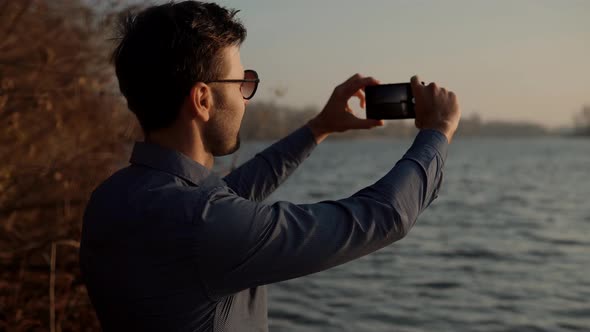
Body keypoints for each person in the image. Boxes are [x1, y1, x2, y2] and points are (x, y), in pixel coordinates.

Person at [79, 1, 461, 331]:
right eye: (242, 83)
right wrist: (437, 132)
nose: (246, 99)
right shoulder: (203, 225)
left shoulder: (113, 198)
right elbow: (381, 217)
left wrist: (319, 128)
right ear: (202, 99)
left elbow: (229, 193)